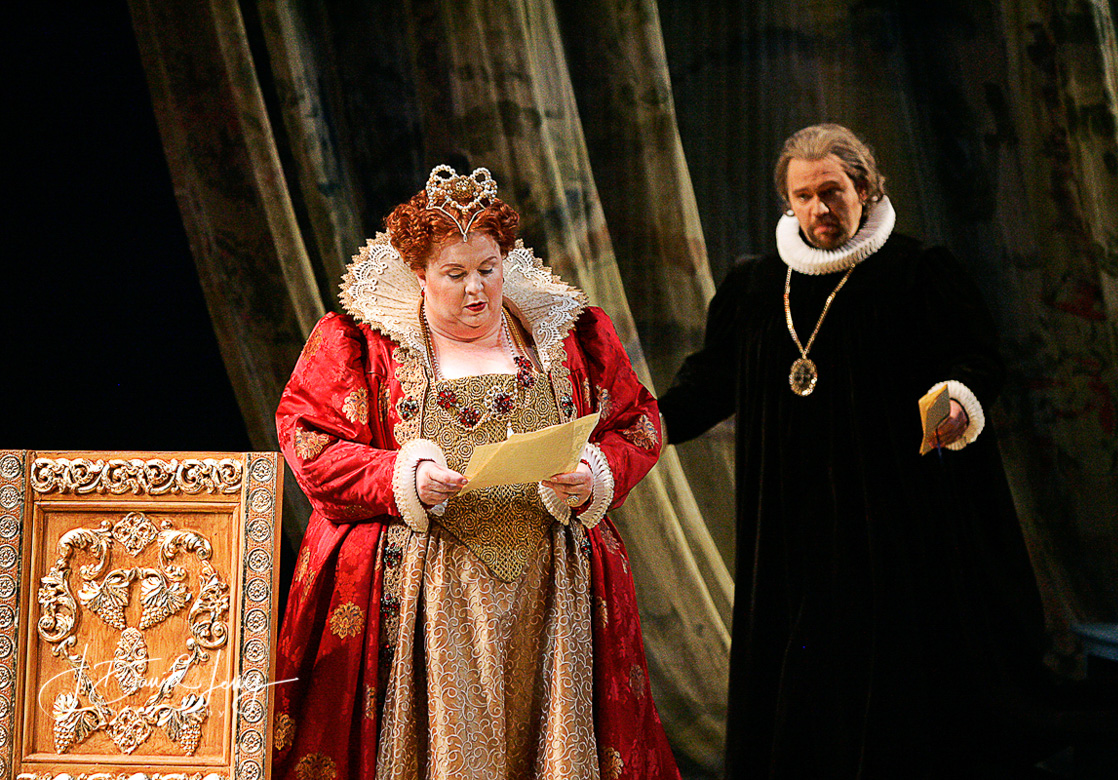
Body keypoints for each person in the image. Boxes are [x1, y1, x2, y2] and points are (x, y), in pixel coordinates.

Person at [658, 124, 1048, 777]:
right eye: (803, 196)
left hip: (888, 515)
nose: (819, 208)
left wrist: (957, 400)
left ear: (864, 189)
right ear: (788, 201)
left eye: (832, 191)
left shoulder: (917, 272)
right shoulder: (757, 285)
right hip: (788, 523)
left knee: (886, 674)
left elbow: (978, 360)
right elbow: (709, 383)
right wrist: (645, 424)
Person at [272, 165, 680, 780]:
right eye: (454, 274)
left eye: (488, 269)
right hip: (425, 591)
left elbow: (637, 422)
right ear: (419, 272)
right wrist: (400, 475)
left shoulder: (566, 335)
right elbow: (310, 441)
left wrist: (594, 473)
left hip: (552, 586)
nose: (475, 290)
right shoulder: (362, 343)